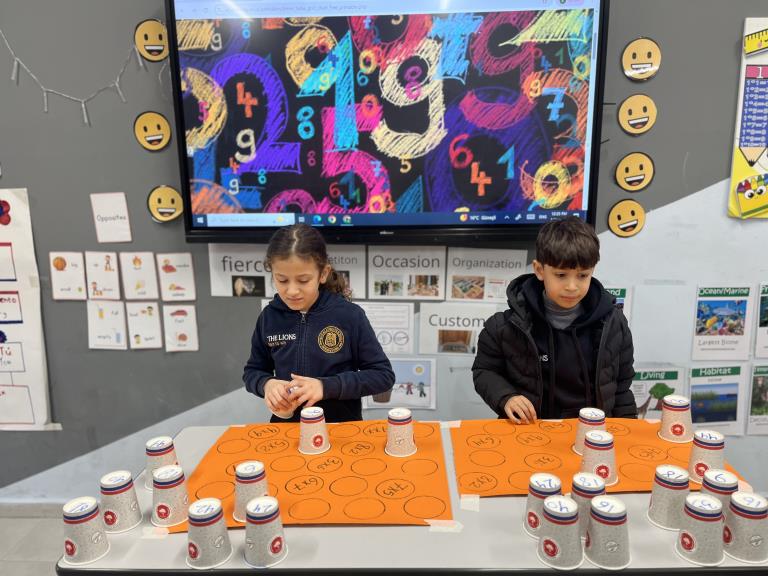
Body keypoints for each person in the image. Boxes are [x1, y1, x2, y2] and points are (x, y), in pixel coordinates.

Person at [472, 216, 637, 423]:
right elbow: (485, 371)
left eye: (582, 275)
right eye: (561, 275)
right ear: (540, 270)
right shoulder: (501, 327)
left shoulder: (614, 323)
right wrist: (506, 397)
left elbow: (622, 386)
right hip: (529, 430)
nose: (572, 286)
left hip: (592, 431)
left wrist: (628, 428)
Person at [243, 224, 395, 423]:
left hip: (340, 430)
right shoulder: (269, 317)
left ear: (323, 274)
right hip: (288, 430)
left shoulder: (350, 316)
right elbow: (253, 372)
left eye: (303, 280)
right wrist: (266, 384)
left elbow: (382, 376)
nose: (292, 291)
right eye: (282, 280)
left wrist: (325, 387)